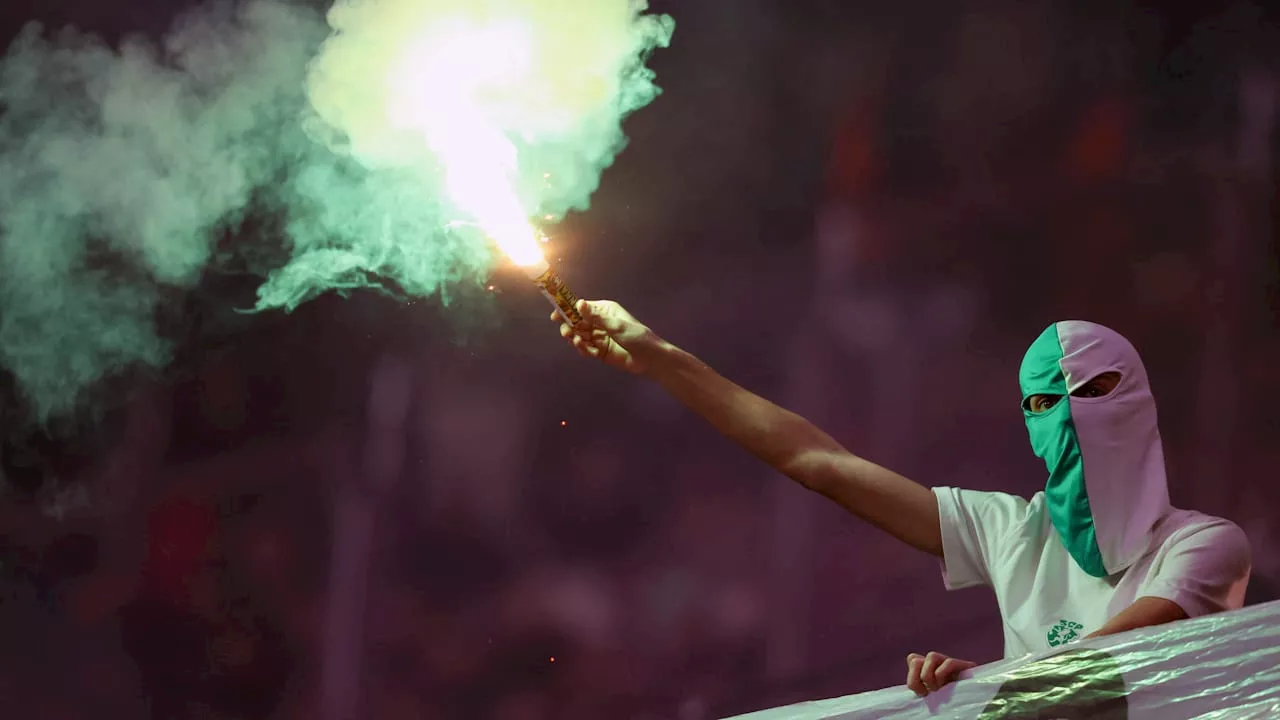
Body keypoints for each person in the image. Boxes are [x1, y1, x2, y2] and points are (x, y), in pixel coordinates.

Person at [552, 301, 1252, 697]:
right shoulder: (1010, 530)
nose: (1068, 417)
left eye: (1094, 391)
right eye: (1043, 402)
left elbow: (1115, 656)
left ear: (1137, 400)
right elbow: (817, 462)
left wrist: (991, 685)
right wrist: (662, 358)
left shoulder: (1205, 545)